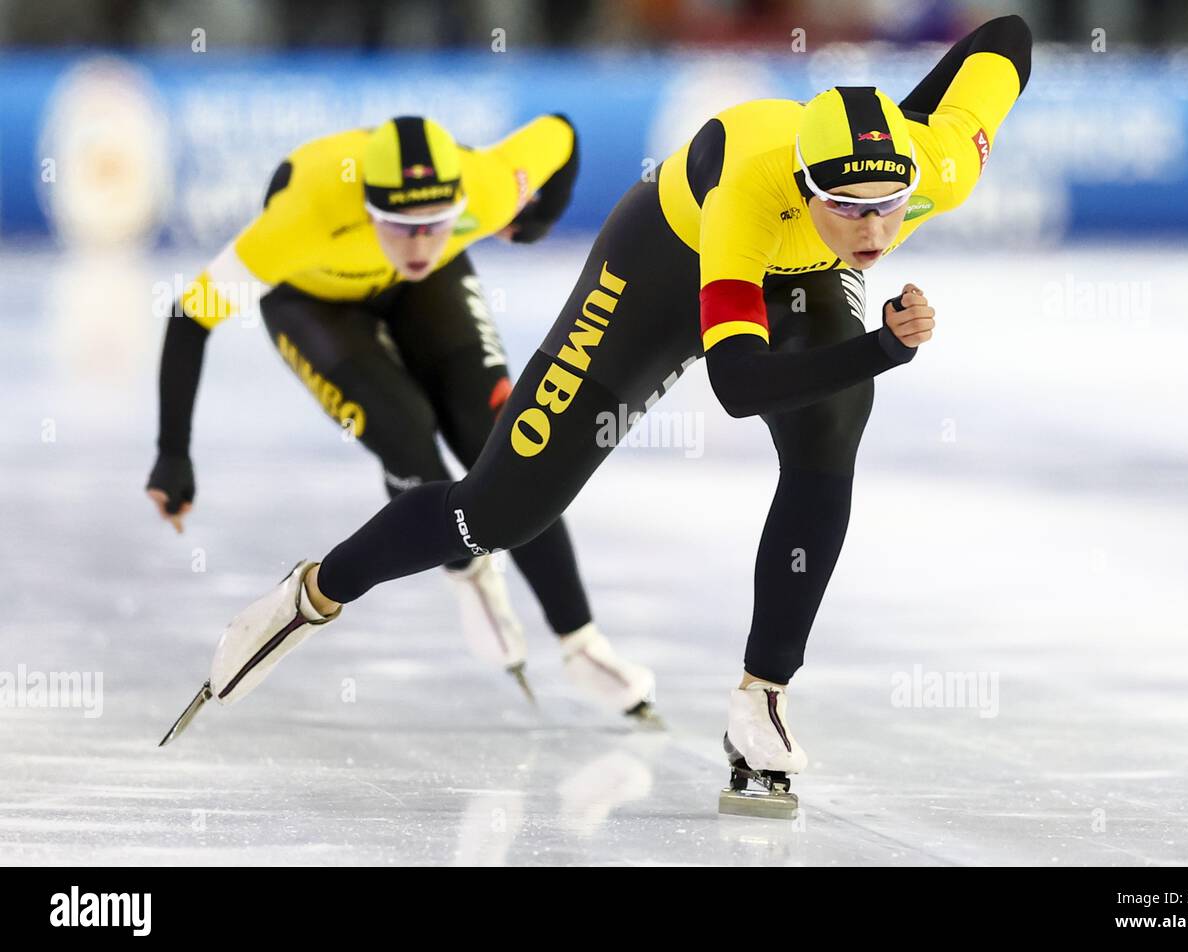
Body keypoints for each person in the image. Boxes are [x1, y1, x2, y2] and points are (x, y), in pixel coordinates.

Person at [174, 15, 1032, 812]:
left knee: (833, 424)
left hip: (802, 272)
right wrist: (883, 344)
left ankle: (761, 697)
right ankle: (310, 595)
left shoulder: (942, 165)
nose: (872, 231)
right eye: (844, 206)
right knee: (498, 513)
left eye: (888, 204)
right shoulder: (748, 197)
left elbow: (1009, 36)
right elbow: (736, 384)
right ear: (805, 186)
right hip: (663, 262)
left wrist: (907, 113)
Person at [147, 114, 655, 719]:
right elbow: (189, 316)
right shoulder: (302, 218)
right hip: (313, 301)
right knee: (408, 438)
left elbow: (563, 132)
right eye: (400, 227)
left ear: (460, 204)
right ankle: (467, 570)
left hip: (431, 290)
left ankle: (581, 642)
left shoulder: (489, 186)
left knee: (511, 439)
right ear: (366, 209)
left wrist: (538, 219)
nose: (418, 245)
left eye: (436, 225)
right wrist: (172, 452)